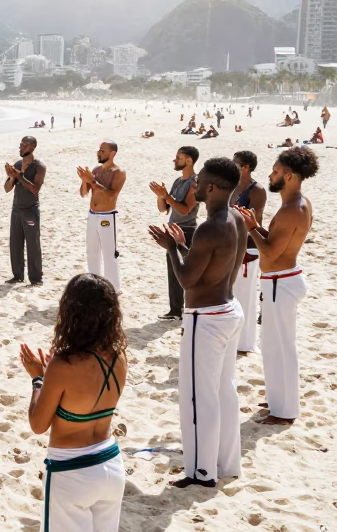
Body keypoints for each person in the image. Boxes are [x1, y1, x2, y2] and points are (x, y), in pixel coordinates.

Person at [148, 157, 246, 488]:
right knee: (224, 392)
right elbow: (225, 264)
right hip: (230, 309)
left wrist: (172, 248)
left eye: (199, 180)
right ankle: (227, 463)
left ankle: (201, 473)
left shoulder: (209, 226)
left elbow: (188, 280)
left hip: (206, 320)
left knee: (197, 398)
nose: (194, 183)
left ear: (211, 187)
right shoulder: (235, 219)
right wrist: (188, 248)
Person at [19, 273, 127, 530]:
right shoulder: (119, 358)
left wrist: (38, 379)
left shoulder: (63, 364)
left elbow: (38, 424)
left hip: (72, 471)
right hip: (110, 463)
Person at [236, 146, 318, 425]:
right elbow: (276, 244)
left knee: (281, 347)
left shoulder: (292, 209)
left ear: (290, 175)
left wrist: (250, 229)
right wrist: (255, 225)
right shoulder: (297, 204)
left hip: (280, 283)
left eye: (275, 171)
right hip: (282, 280)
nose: (271, 176)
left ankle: (284, 412)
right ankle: (278, 400)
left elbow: (270, 253)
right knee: (273, 345)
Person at [150, 146, 200, 320]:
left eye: (178, 158)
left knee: (186, 272)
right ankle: (175, 311)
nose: (175, 160)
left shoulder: (196, 181)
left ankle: (189, 309)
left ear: (188, 160)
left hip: (186, 231)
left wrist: (166, 196)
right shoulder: (178, 181)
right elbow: (164, 209)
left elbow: (186, 209)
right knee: (173, 270)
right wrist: (160, 196)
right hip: (172, 230)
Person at [77, 141, 126, 292]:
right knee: (92, 251)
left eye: (103, 151)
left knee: (109, 253)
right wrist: (85, 181)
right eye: (99, 150)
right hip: (92, 215)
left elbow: (112, 196)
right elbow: (83, 193)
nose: (99, 153)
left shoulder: (118, 172)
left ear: (113, 153)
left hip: (107, 216)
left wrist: (93, 181)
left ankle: (114, 289)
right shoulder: (96, 170)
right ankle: (94, 285)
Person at [232, 151, 268, 355]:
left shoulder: (257, 190)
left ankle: (244, 343)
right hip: (233, 245)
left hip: (248, 248)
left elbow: (253, 221)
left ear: (245, 167)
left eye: (235, 163)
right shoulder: (233, 188)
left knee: (246, 296)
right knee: (233, 294)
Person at [4, 136, 46, 286]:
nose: (21, 147)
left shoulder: (39, 166)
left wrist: (19, 177)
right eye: (21, 144)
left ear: (32, 147)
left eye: (24, 145)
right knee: (15, 243)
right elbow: (7, 189)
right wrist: (11, 177)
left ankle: (36, 278)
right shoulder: (17, 164)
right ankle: (17, 275)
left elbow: (35, 189)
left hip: (30, 210)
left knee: (33, 244)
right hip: (16, 209)